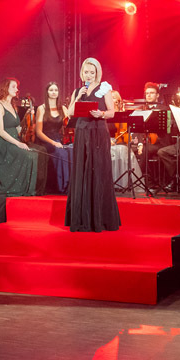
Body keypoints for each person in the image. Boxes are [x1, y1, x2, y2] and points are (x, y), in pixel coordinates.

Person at [65, 57, 120, 232]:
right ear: (82, 73)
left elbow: (112, 112)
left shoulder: (104, 88)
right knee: (82, 169)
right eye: (86, 72)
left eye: (92, 72)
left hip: (98, 131)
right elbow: (70, 112)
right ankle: (81, 217)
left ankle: (99, 218)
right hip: (82, 132)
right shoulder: (77, 91)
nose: (89, 75)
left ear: (97, 73)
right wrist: (78, 97)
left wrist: (101, 114)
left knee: (98, 170)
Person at [0, 78, 39, 196]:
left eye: (17, 87)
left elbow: (17, 127)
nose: (17, 89)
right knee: (29, 156)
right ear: (5, 88)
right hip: (2, 143)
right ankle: (19, 189)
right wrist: (18, 143)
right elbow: (0, 131)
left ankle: (28, 189)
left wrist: (27, 117)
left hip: (13, 140)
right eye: (13, 87)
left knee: (35, 153)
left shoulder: (12, 106)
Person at [35, 81, 71, 193]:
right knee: (60, 153)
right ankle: (62, 186)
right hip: (45, 139)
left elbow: (70, 123)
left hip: (59, 139)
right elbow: (38, 132)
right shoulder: (41, 108)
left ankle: (70, 186)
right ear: (47, 92)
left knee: (71, 151)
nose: (54, 92)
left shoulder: (63, 108)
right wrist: (53, 142)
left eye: (56, 90)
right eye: (51, 90)